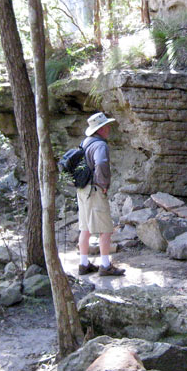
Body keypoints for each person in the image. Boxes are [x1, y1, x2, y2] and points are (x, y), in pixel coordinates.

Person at [76, 112, 125, 277]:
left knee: (85, 228)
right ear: (101, 129)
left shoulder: (85, 142)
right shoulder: (100, 145)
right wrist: (103, 184)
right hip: (95, 190)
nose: (109, 128)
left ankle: (84, 264)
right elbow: (101, 163)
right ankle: (105, 265)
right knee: (106, 229)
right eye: (107, 126)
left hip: (82, 190)